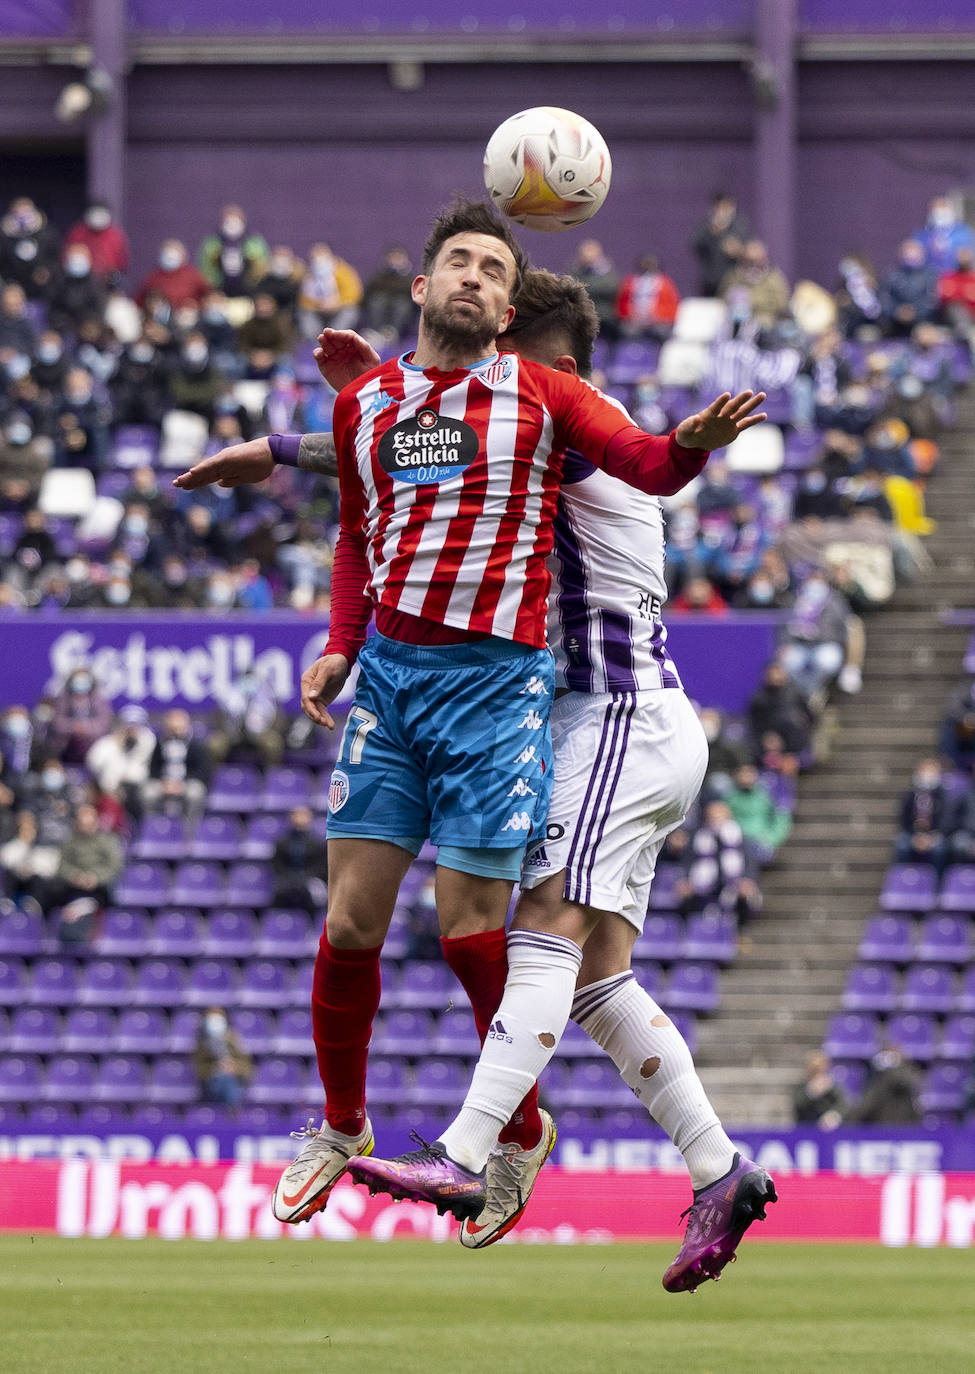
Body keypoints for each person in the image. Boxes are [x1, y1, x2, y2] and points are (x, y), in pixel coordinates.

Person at [174, 207, 769, 1290]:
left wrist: (293, 442)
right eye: (463, 272)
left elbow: (608, 454)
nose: (491, 343)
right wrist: (370, 404)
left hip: (611, 714)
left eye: (504, 309)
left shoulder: (563, 419)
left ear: (551, 360)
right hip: (578, 716)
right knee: (590, 983)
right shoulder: (449, 406)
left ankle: (471, 1146)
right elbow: (412, 464)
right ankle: (719, 1168)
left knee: (524, 935)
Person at [691, 192, 750, 297]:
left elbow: (752, 249)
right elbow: (695, 244)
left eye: (727, 207)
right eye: (720, 207)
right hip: (711, 281)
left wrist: (739, 250)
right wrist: (713, 232)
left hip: (734, 281)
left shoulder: (740, 227)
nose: (723, 211)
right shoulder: (706, 227)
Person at [194, 1006, 252, 1109]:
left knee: (229, 1082)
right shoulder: (202, 1044)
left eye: (218, 1020)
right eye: (211, 1020)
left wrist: (234, 1067)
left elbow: (247, 1067)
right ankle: (232, 1112)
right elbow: (198, 1070)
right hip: (211, 1085)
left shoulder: (234, 1041)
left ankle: (231, 1110)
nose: (215, 1023)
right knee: (225, 1082)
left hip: (235, 1082)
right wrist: (216, 1068)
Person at [63, 200, 130, 285]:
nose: (97, 217)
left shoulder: (116, 236)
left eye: (101, 213)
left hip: (108, 281)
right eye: (94, 213)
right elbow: (66, 256)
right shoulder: (77, 233)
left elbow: (122, 261)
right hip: (81, 282)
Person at [792, 1052, 845, 1129]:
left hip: (829, 1129)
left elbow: (842, 1103)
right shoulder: (802, 1086)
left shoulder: (833, 1086)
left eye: (823, 1070)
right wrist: (812, 1091)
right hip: (806, 1128)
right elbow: (797, 1105)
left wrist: (834, 1115)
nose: (820, 1074)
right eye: (816, 1070)